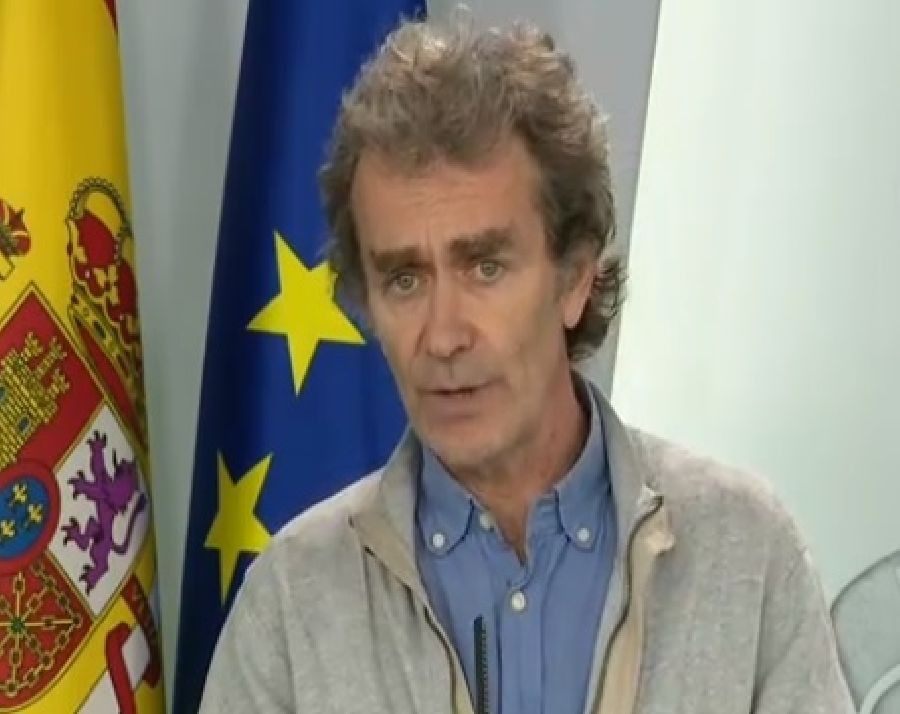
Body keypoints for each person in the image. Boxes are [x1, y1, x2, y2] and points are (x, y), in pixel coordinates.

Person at [199, 14, 854, 714]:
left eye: (485, 267)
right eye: (405, 279)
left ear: (575, 278)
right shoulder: (292, 605)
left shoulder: (746, 552)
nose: (443, 336)